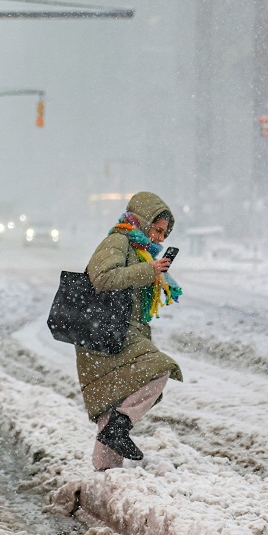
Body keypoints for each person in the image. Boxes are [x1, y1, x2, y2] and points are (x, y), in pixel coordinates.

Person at [78, 192, 183, 471]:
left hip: (117, 332)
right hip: (107, 332)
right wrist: (148, 270)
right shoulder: (118, 241)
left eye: (164, 233)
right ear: (144, 220)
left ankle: (106, 475)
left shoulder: (140, 250)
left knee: (112, 398)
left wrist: (151, 269)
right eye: (158, 230)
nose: (161, 238)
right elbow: (102, 278)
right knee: (160, 368)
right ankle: (120, 425)